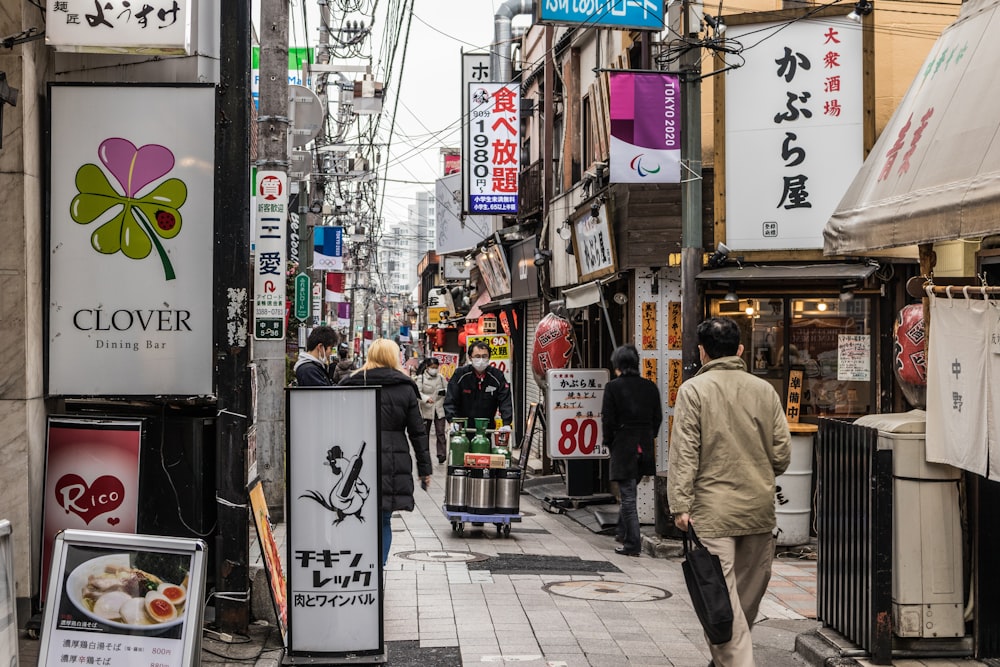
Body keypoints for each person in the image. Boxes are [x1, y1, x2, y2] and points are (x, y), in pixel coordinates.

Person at [668, 317, 791, 667]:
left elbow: (684, 452)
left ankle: (734, 662)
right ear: (740, 350)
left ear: (702, 352)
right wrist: (760, 474)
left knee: (722, 603)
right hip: (758, 510)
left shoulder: (694, 391)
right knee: (743, 603)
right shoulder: (764, 391)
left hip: (712, 512)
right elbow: (782, 454)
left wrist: (679, 504)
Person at [338, 338, 432, 566]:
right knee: (383, 519)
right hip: (392, 460)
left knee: (357, 516)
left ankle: (359, 566)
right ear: (393, 358)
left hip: (357, 459)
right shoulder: (406, 387)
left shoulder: (350, 383)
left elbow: (335, 422)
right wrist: (424, 469)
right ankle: (377, 568)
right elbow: (418, 433)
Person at [601, 344, 662, 557]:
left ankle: (632, 544)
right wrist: (648, 436)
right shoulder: (650, 387)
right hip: (643, 447)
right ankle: (622, 531)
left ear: (617, 364)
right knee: (629, 491)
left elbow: (607, 421)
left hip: (623, 446)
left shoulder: (613, 388)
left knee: (627, 497)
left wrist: (610, 442)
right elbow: (658, 419)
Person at [444, 340, 513, 428]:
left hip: (486, 427)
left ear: (489, 357)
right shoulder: (460, 375)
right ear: (470, 357)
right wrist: (452, 421)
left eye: (484, 356)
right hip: (462, 427)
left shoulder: (497, 376)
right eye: (477, 356)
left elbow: (505, 401)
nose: (481, 360)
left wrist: (506, 423)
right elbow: (450, 399)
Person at [414, 357, 449, 464]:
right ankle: (425, 455)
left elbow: (448, 389)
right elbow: (417, 392)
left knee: (441, 432)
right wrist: (426, 398)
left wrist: (444, 392)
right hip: (426, 409)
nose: (434, 369)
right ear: (427, 367)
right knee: (425, 433)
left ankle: (441, 454)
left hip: (439, 408)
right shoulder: (421, 378)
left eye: (436, 367)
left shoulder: (441, 378)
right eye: (432, 367)